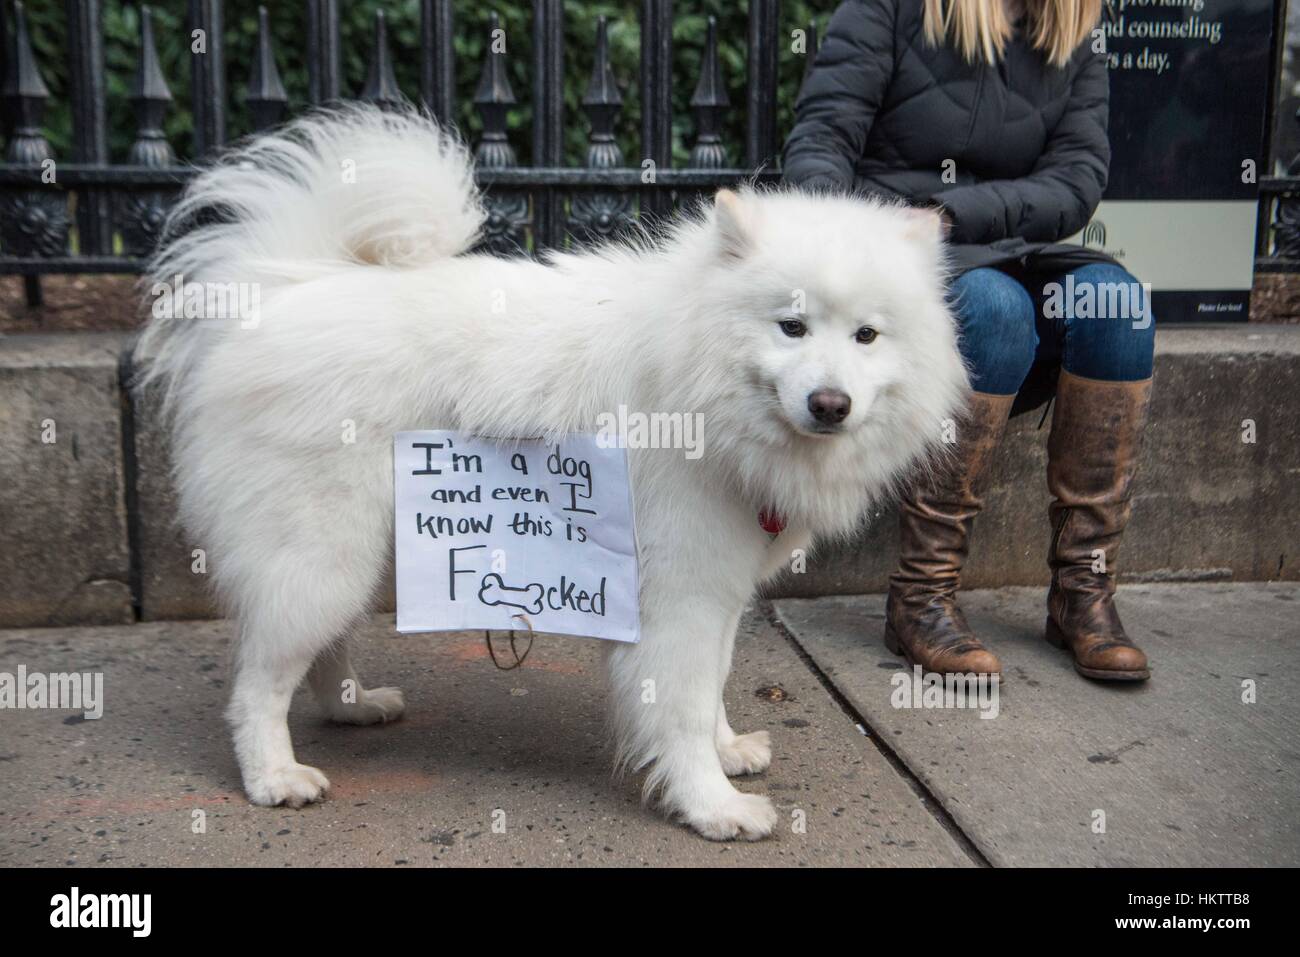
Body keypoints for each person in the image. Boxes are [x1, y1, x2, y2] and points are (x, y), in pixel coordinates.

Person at [783, 0, 1155, 681]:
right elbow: (821, 141)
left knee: (1118, 306)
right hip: (897, 255)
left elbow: (1077, 178)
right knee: (994, 308)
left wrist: (957, 213)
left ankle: (1082, 592)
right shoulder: (890, 9)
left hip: (1011, 245)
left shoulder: (1072, 24)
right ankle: (922, 596)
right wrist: (852, 254)